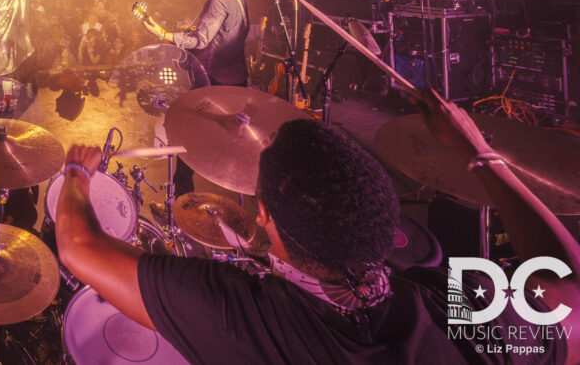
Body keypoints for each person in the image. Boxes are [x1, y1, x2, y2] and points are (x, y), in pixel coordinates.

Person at [55, 88, 580, 364]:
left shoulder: (240, 315)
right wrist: (479, 151)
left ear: (263, 215)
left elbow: (78, 246)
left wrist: (78, 173)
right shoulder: (469, 313)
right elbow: (571, 286)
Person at [140, 0, 250, 195]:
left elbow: (201, 40)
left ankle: (182, 203)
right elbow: (222, 37)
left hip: (212, 81)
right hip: (235, 81)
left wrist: (162, 34)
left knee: (187, 138)